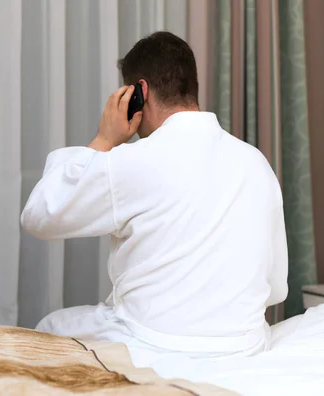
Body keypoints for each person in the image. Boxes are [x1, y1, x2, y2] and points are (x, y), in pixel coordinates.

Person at [21, 31, 288, 359]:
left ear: (139, 92)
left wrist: (104, 139)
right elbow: (275, 287)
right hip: (243, 346)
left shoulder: (132, 161)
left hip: (153, 346)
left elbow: (40, 214)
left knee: (50, 327)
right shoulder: (256, 163)